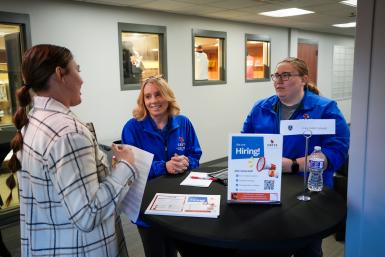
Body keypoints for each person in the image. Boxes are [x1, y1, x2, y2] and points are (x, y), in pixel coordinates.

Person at [7, 44, 138, 257]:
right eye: (77, 69)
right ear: (60, 74)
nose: (82, 79)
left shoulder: (32, 122)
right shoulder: (69, 133)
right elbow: (88, 214)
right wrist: (125, 167)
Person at [242, 57, 350, 257]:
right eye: (276, 75)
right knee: (270, 244)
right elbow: (246, 142)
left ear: (304, 79)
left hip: (309, 190)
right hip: (268, 187)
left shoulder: (325, 109)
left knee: (307, 248)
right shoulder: (261, 108)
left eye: (286, 75)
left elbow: (337, 150)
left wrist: (292, 165)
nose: (278, 80)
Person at [121, 75, 202, 257]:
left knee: (172, 251)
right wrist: (164, 167)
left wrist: (187, 162)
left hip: (177, 201)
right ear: (143, 101)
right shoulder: (132, 128)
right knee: (155, 252)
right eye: (148, 96)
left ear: (167, 96)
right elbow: (132, 167)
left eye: (158, 94)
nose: (153, 101)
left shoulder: (183, 123)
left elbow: (196, 155)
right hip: (147, 204)